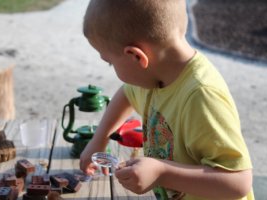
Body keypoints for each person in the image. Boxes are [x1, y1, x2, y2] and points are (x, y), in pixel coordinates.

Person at [79, 0, 254, 199]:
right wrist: (99, 139)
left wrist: (162, 172)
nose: (112, 68)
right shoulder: (153, 76)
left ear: (136, 56)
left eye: (110, 63)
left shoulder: (201, 96)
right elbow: (126, 93)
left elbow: (238, 183)